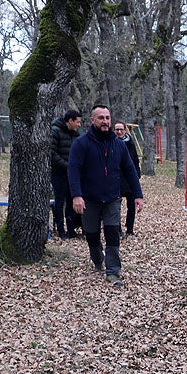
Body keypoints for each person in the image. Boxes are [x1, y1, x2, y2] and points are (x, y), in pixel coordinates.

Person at [68, 104, 144, 287]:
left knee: (112, 234)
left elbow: (130, 170)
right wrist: (77, 195)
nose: (105, 121)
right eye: (101, 118)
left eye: (107, 118)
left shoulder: (118, 145)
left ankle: (112, 271)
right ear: (92, 120)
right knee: (92, 235)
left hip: (112, 198)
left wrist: (138, 195)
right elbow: (73, 170)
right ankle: (97, 259)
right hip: (89, 199)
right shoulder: (81, 143)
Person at [49, 109, 82, 239]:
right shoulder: (55, 131)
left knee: (71, 201)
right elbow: (52, 153)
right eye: (77, 122)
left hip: (72, 175)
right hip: (59, 173)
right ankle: (61, 230)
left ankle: (71, 229)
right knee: (59, 201)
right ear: (70, 121)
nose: (79, 125)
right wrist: (67, 166)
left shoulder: (76, 134)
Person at [113, 121, 141, 236]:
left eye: (121, 129)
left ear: (125, 130)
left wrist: (137, 175)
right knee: (116, 206)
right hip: (117, 179)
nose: (119, 132)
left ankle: (129, 229)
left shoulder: (130, 142)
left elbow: (135, 160)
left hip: (129, 179)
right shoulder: (112, 143)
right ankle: (117, 229)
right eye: (117, 129)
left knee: (131, 206)